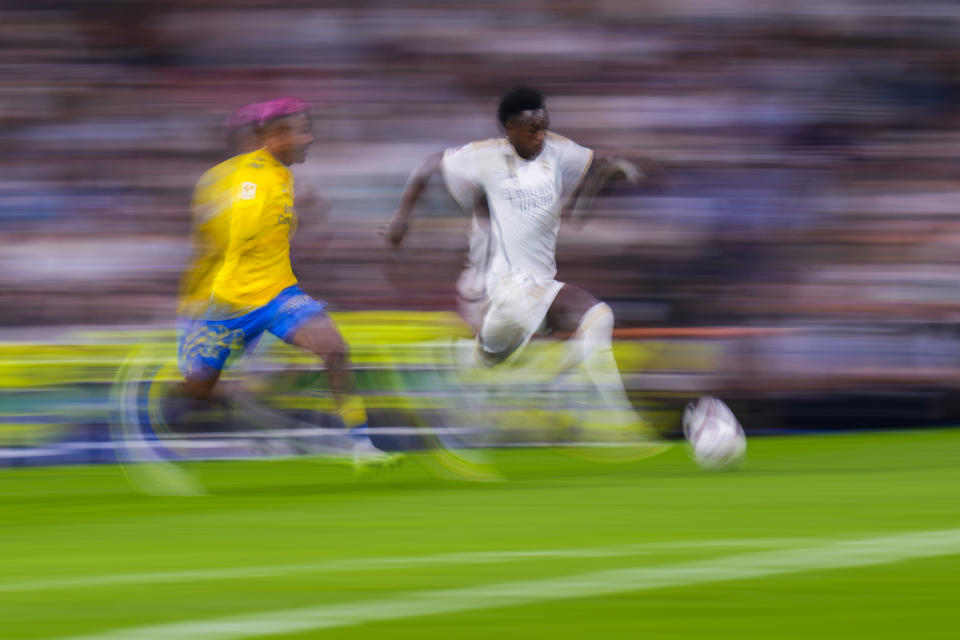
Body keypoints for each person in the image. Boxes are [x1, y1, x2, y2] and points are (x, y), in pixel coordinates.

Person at [387, 86, 655, 441]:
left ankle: (437, 365)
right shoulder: (483, 160)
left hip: (529, 285)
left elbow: (594, 162)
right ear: (509, 129)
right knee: (596, 316)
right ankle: (618, 419)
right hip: (501, 284)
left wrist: (613, 173)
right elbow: (430, 164)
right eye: (533, 130)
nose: (541, 137)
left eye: (544, 127)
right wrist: (401, 220)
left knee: (491, 358)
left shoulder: (555, 151)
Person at [175, 97, 400, 467]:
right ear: (277, 136)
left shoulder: (282, 173)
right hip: (231, 302)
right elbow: (244, 222)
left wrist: (303, 223)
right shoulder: (252, 177)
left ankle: (363, 447)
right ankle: (179, 403)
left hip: (278, 294)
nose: (310, 139)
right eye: (303, 131)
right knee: (199, 392)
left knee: (335, 350)